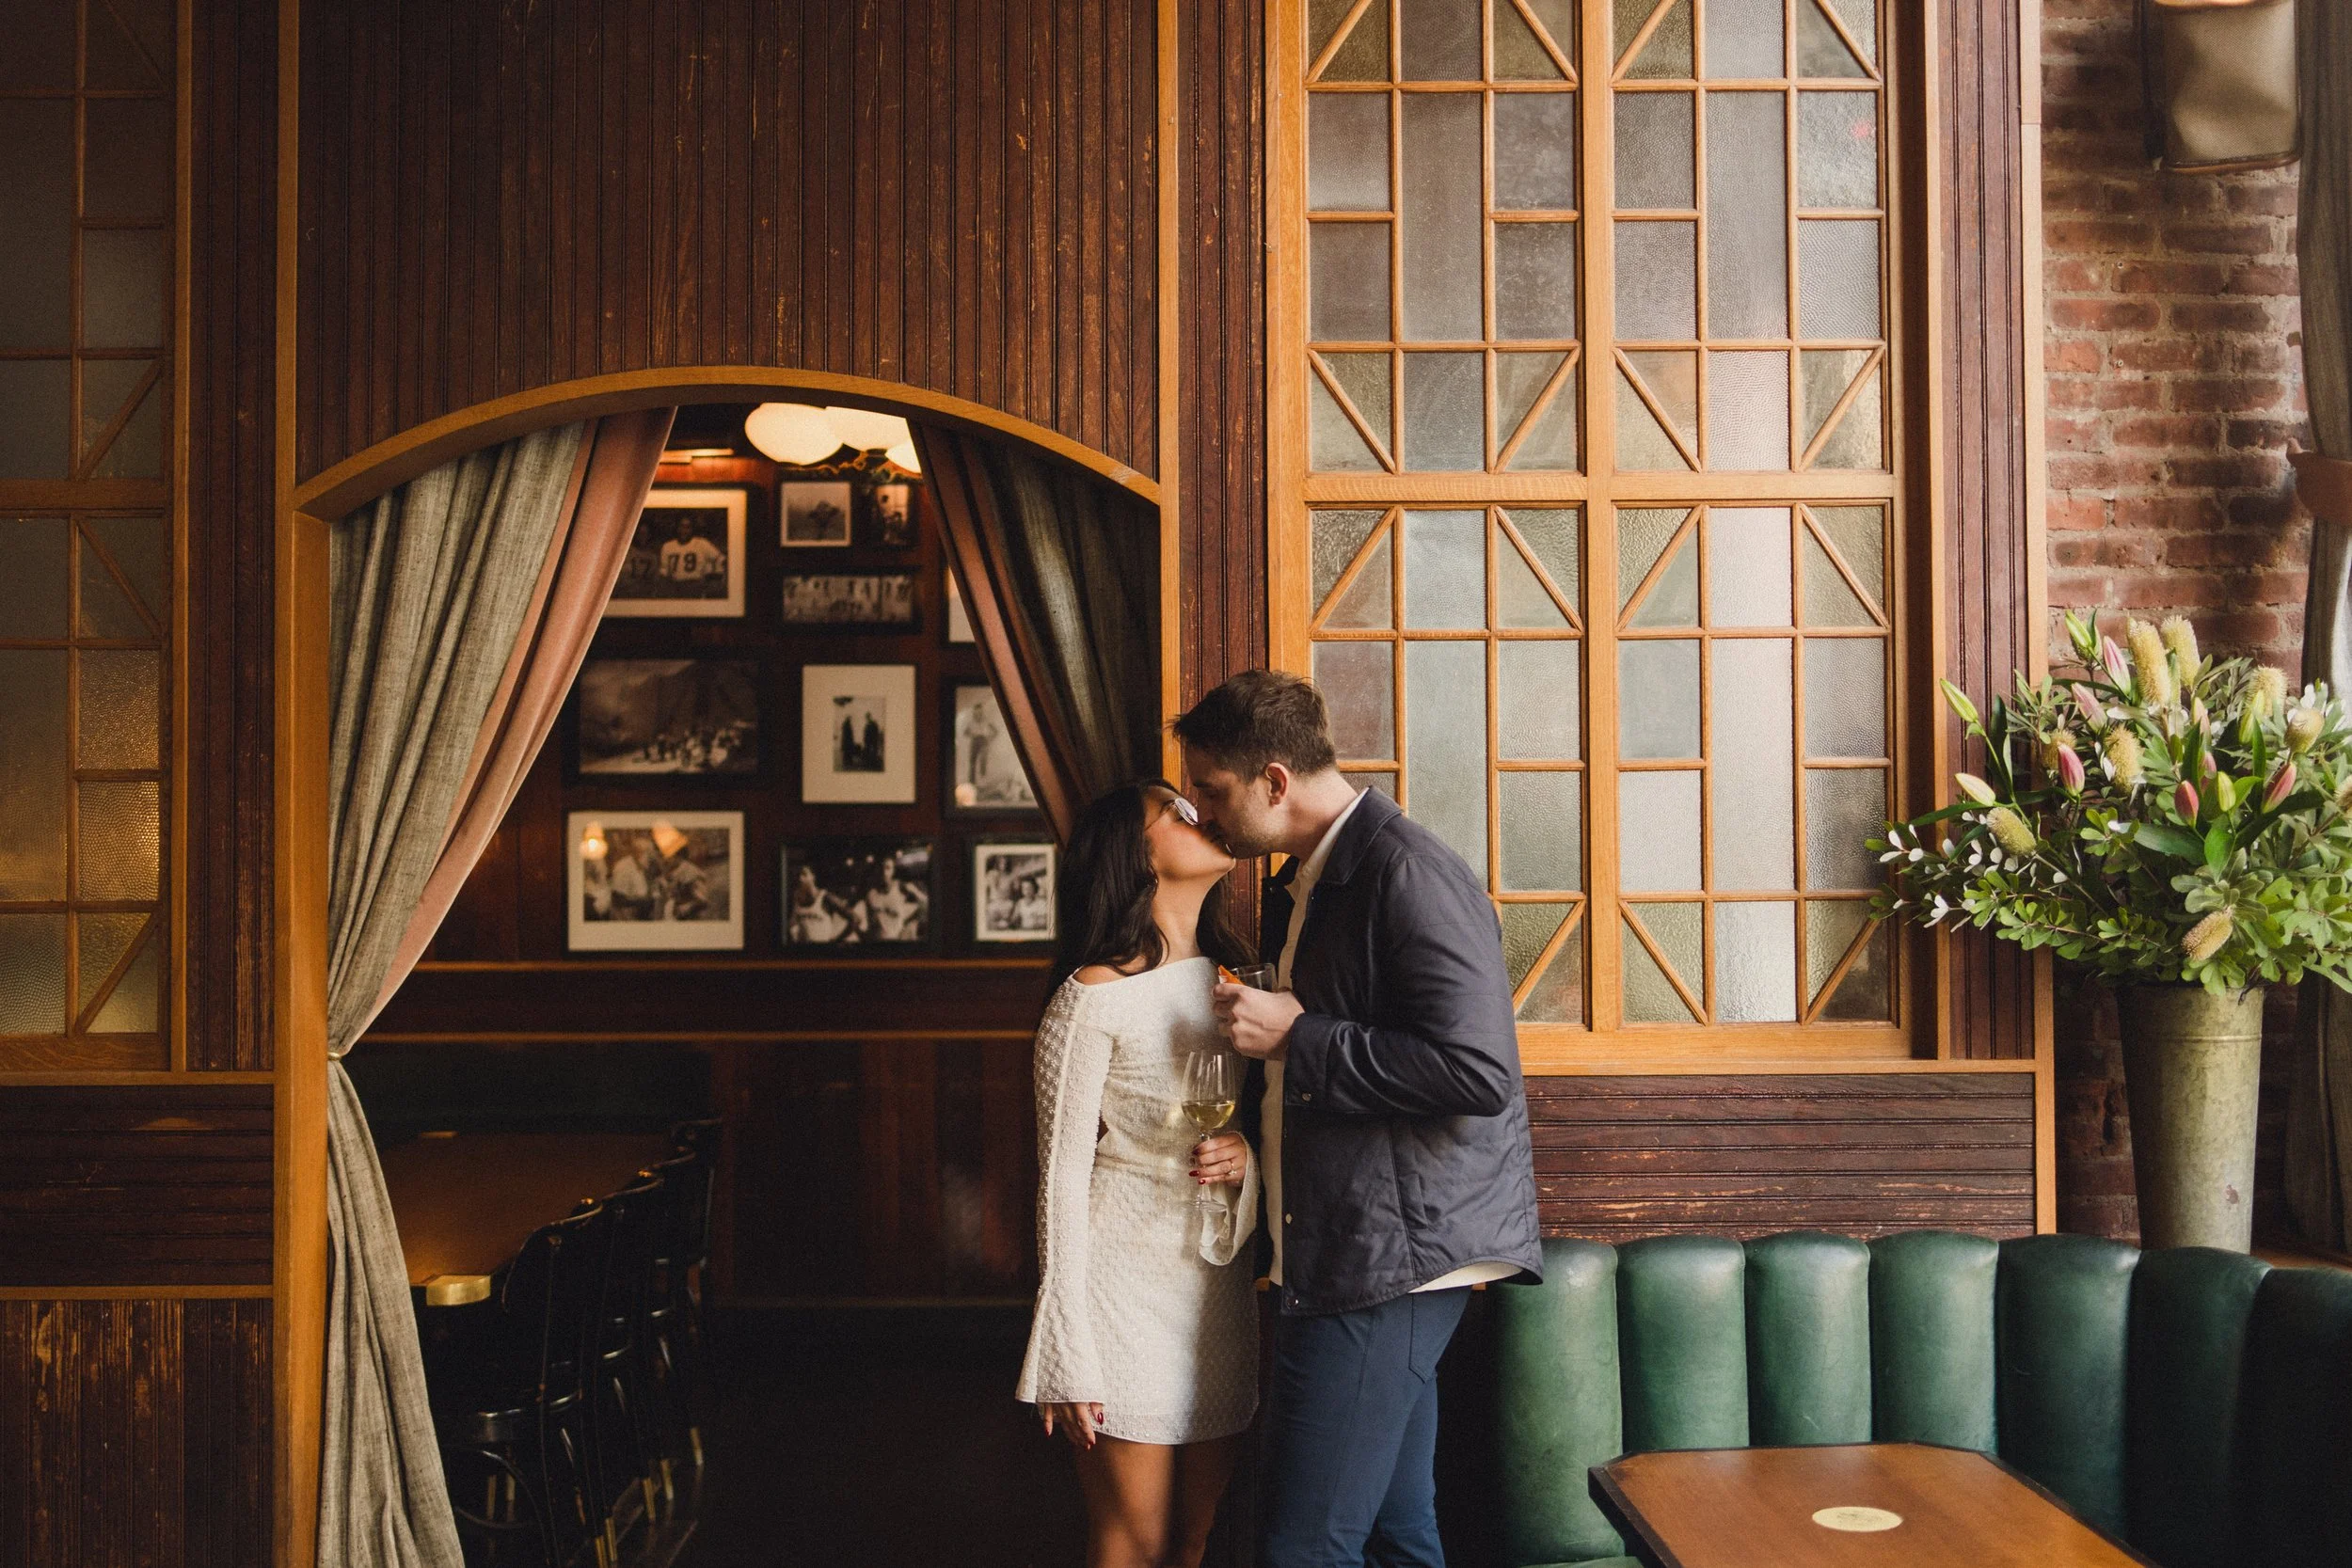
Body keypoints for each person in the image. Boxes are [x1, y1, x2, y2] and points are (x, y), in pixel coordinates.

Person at [1175, 670, 1542, 1568]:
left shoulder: (1406, 871)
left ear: (1272, 780)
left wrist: (1303, 1036)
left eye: (1212, 793)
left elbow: (1479, 1070)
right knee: (1392, 1531)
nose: (1203, 816)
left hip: (1388, 1262)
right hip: (1359, 1250)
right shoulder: (1311, 878)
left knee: (1302, 1546)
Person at [1017, 781, 1262, 1568]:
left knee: (1198, 1538)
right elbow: (1058, 1176)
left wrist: (1247, 1157)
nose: (1201, 815)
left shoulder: (1240, 980)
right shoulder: (1090, 998)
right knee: (1135, 1538)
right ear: (1138, 852)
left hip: (1214, 1291)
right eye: (1175, 811)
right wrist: (1063, 1346)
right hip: (1119, 1289)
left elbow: (1262, 1121)